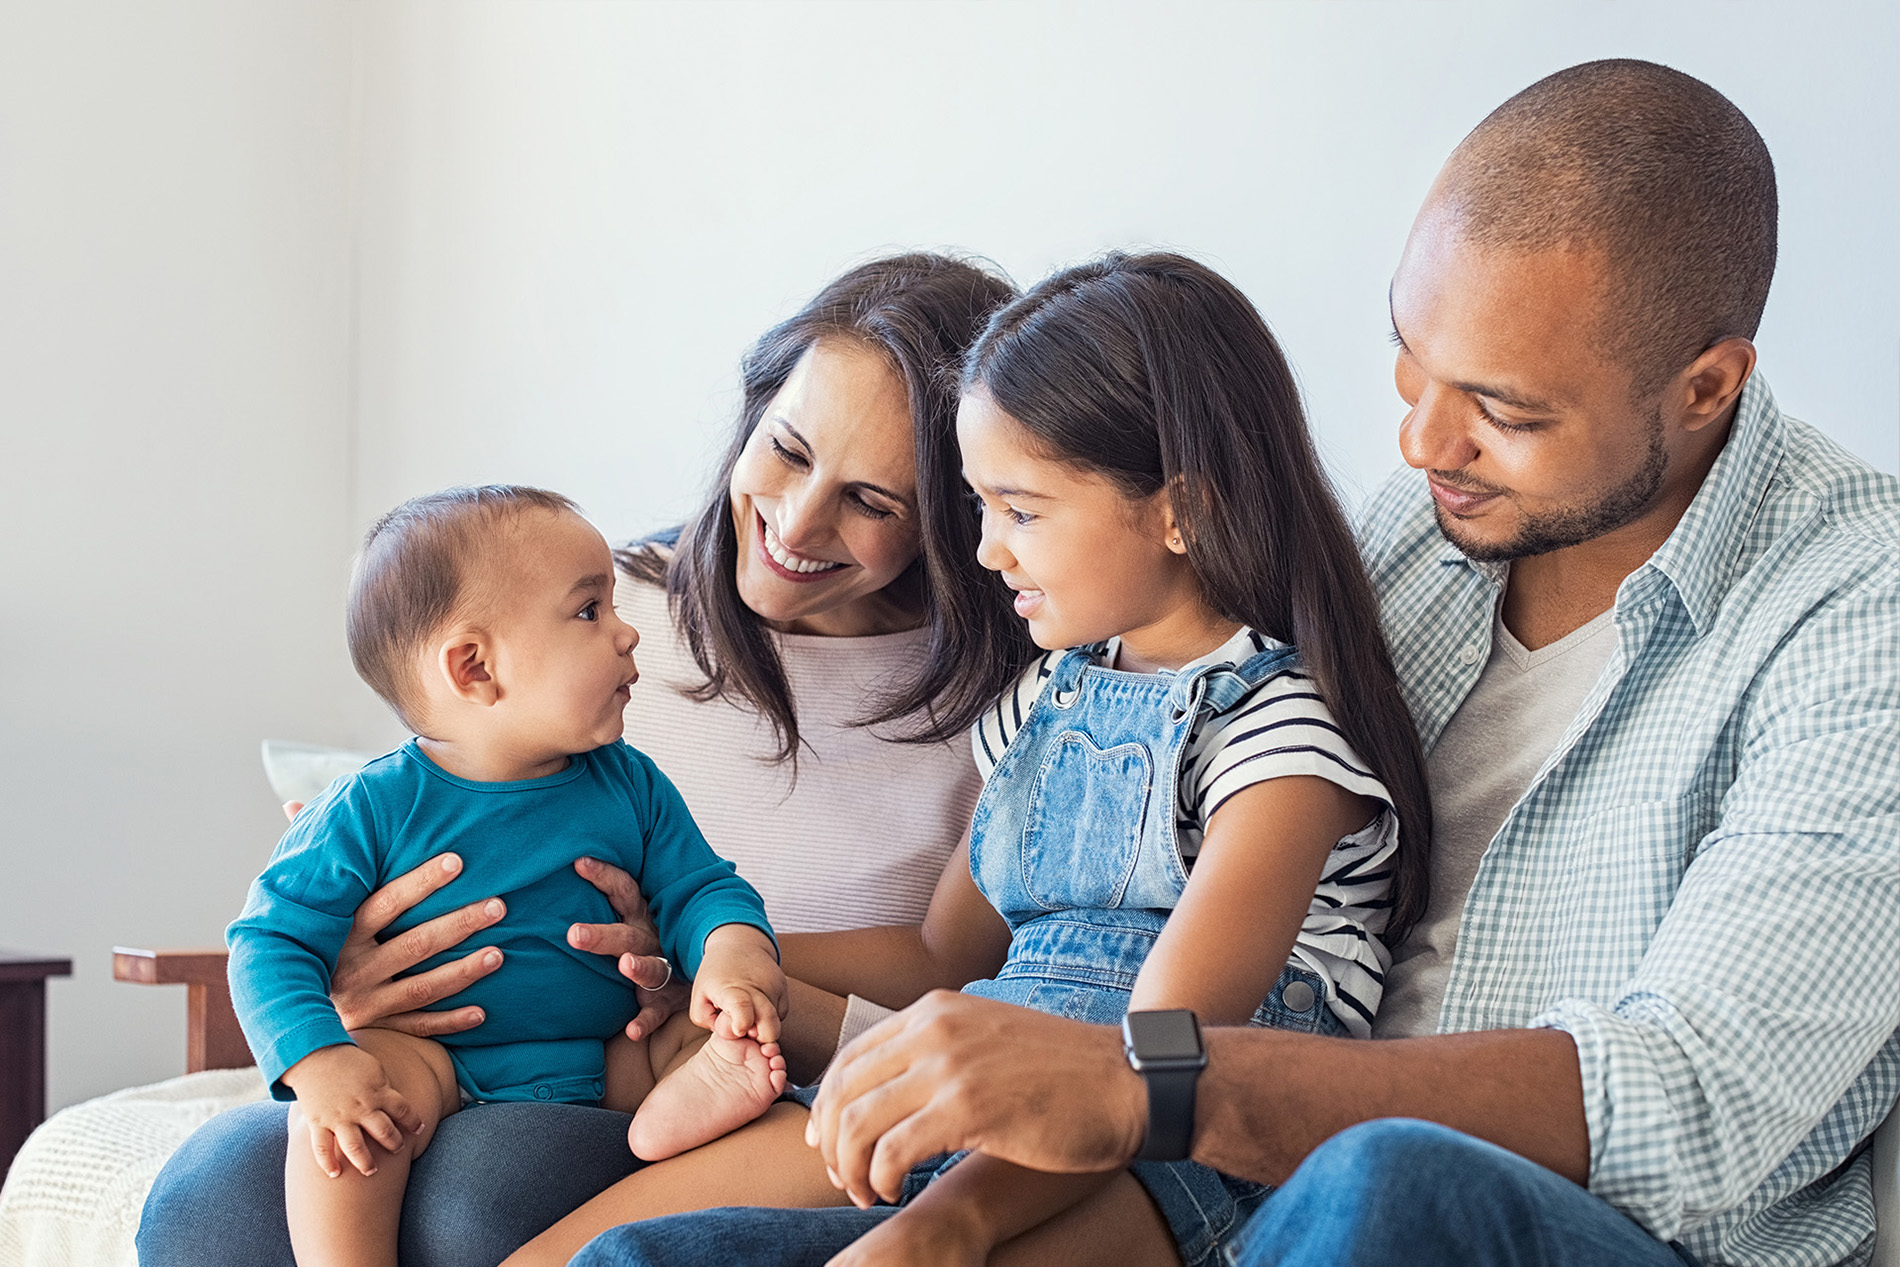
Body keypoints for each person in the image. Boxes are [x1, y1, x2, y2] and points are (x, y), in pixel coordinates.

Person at [575, 59, 1900, 1267]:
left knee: (1387, 1182)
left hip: (1512, 1214)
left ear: (1707, 386)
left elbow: (1697, 1099)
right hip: (1233, 1168)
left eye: (1504, 408)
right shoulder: (1416, 535)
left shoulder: (1856, 610)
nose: (1426, 442)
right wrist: (715, 950)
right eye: (1410, 358)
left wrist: (1149, 1083)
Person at [501, 252, 1434, 1267]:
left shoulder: (1278, 741)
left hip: (1165, 1150)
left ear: (1181, 510)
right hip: (979, 1070)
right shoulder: (1046, 698)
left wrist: (946, 1227)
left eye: (1020, 511)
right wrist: (710, 944)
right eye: (979, 506)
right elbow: (950, 955)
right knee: (598, 1254)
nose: (986, 551)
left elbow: (1159, 1065)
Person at [136, 254, 1033, 1267]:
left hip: (711, 1058)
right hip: (460, 1039)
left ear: (961, 517)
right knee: (209, 1193)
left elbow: (962, 976)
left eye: (872, 501)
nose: (796, 522)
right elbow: (375, 858)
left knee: (478, 1192)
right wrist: (341, 992)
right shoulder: (592, 608)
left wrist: (708, 956)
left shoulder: (1012, 702)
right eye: (785, 450)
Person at [230, 485, 794, 1265]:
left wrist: (733, 957)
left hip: (607, 1050)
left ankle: (678, 1106)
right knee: (350, 1127)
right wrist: (322, 1065)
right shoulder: (374, 804)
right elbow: (268, 941)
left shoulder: (629, 783)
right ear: (474, 666)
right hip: (436, 1062)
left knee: (708, 1032)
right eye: (590, 610)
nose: (628, 632)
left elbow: (702, 887)